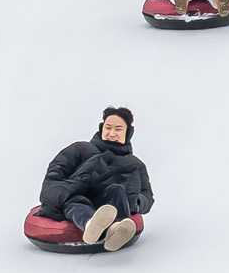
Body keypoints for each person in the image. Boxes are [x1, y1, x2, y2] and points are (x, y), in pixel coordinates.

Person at [38, 107, 154, 251]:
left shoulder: (135, 164)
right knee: (77, 202)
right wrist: (62, 192)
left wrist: (135, 202)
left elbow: (146, 195)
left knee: (117, 190)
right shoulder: (80, 149)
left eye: (118, 129)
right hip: (76, 197)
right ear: (101, 128)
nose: (112, 133)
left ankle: (117, 229)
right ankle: (90, 225)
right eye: (108, 128)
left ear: (128, 133)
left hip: (108, 204)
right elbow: (56, 172)